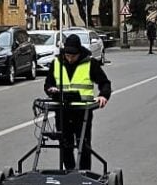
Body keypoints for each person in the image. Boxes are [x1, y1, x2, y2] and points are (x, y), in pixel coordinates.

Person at [44, 32, 112, 171]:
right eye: (67, 56)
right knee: (65, 144)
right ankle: (69, 172)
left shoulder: (89, 63)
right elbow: (48, 83)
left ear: (79, 53)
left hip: (82, 111)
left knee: (84, 144)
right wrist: (51, 89)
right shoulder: (56, 63)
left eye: (73, 56)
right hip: (62, 110)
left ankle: (84, 174)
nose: (70, 59)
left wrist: (103, 96)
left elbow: (104, 83)